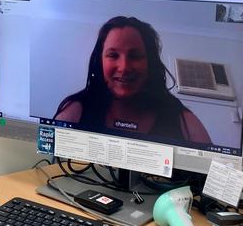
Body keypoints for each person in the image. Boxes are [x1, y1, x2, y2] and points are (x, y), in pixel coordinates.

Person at [53, 16, 211, 144]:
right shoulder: (76, 110)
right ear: (99, 61)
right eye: (113, 55)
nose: (124, 67)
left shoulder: (184, 121)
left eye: (135, 56)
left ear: (151, 63)